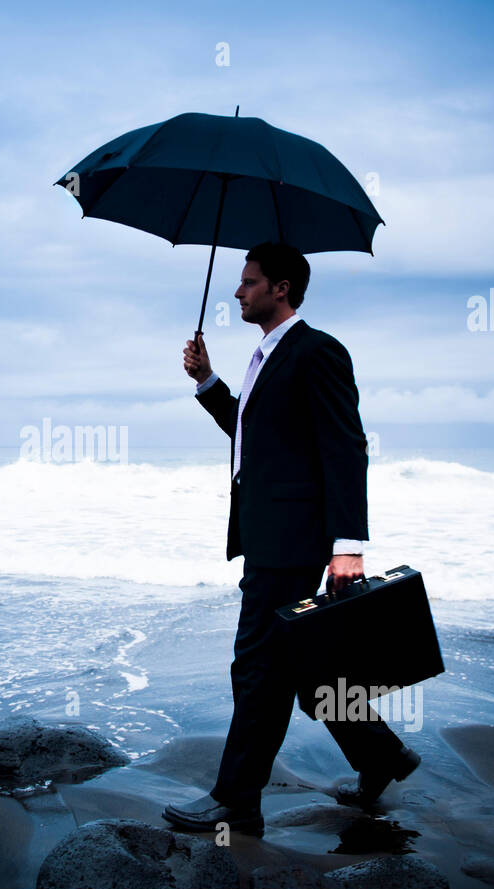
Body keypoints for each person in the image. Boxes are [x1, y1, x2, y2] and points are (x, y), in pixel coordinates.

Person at [163, 242, 419, 838]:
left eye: (249, 282)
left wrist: (348, 543)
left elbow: (345, 445)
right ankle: (381, 755)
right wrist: (207, 381)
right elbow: (254, 434)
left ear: (281, 287)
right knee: (305, 664)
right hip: (270, 535)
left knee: (256, 664)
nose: (237, 292)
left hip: (294, 541)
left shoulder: (317, 351)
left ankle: (237, 800)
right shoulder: (265, 357)